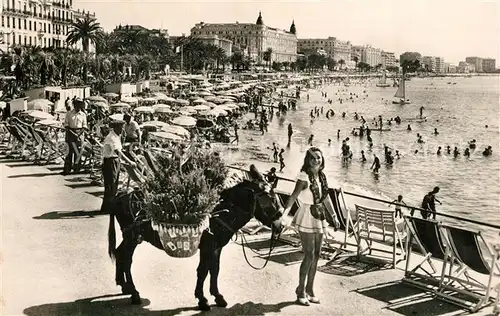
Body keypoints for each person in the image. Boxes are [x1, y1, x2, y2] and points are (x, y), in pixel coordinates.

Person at [280, 147, 339, 306]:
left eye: (318, 157)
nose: (316, 160)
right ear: (307, 160)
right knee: (309, 255)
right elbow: (293, 196)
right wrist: (284, 215)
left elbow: (325, 198)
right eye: (312, 158)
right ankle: (301, 290)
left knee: (317, 255)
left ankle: (310, 289)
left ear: (322, 159)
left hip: (319, 216)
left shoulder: (321, 176)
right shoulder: (304, 176)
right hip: (306, 215)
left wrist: (333, 215)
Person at [100, 120, 136, 214]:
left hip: (114, 160)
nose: (122, 130)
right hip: (110, 162)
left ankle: (107, 208)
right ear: (115, 127)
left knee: (113, 185)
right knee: (111, 186)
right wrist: (130, 161)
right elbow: (118, 152)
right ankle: (109, 208)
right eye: (121, 128)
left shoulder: (116, 136)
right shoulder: (112, 137)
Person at [62, 98, 87, 175]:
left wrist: (79, 134)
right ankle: (67, 169)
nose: (78, 106)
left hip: (80, 133)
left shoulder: (83, 115)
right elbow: (66, 125)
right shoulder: (69, 114)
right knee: (69, 152)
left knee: (78, 152)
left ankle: (77, 169)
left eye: (79, 105)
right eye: (76, 104)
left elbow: (84, 126)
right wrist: (72, 133)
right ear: (74, 105)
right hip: (70, 133)